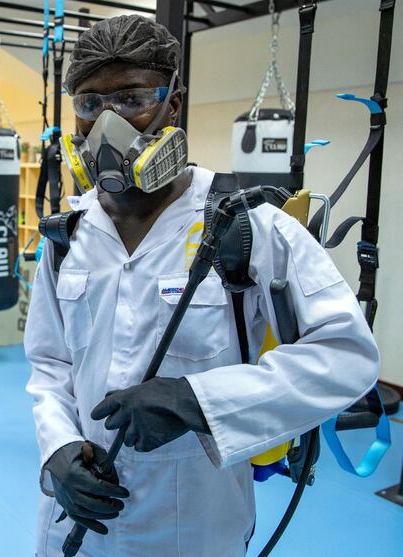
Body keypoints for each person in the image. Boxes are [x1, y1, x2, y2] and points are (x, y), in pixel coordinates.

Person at [24, 15, 378, 557]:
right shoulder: (66, 235)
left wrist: (197, 401)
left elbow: (347, 355)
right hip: (75, 525)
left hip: (193, 529)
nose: (108, 122)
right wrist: (58, 448)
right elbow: (50, 365)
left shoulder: (249, 224)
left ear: (174, 103)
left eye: (133, 97)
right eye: (90, 104)